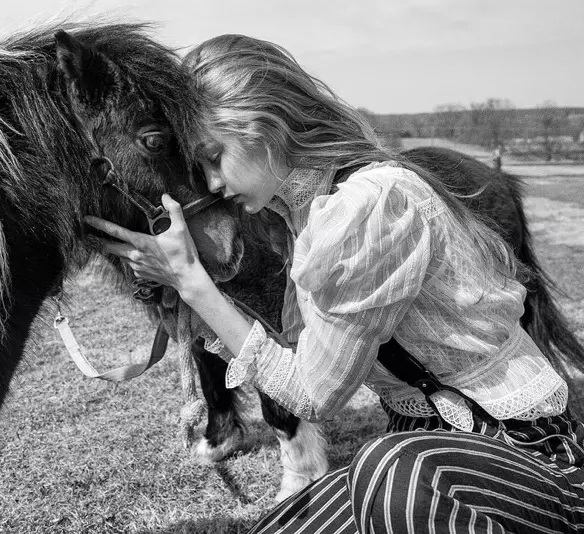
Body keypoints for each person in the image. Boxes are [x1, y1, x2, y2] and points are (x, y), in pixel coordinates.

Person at [85, 34, 584, 533]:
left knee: (390, 470)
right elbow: (297, 357)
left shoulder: (369, 203)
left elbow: (313, 396)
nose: (211, 183)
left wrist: (193, 283)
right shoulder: (304, 211)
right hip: (425, 446)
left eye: (215, 157)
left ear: (266, 124)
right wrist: (170, 281)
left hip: (518, 449)